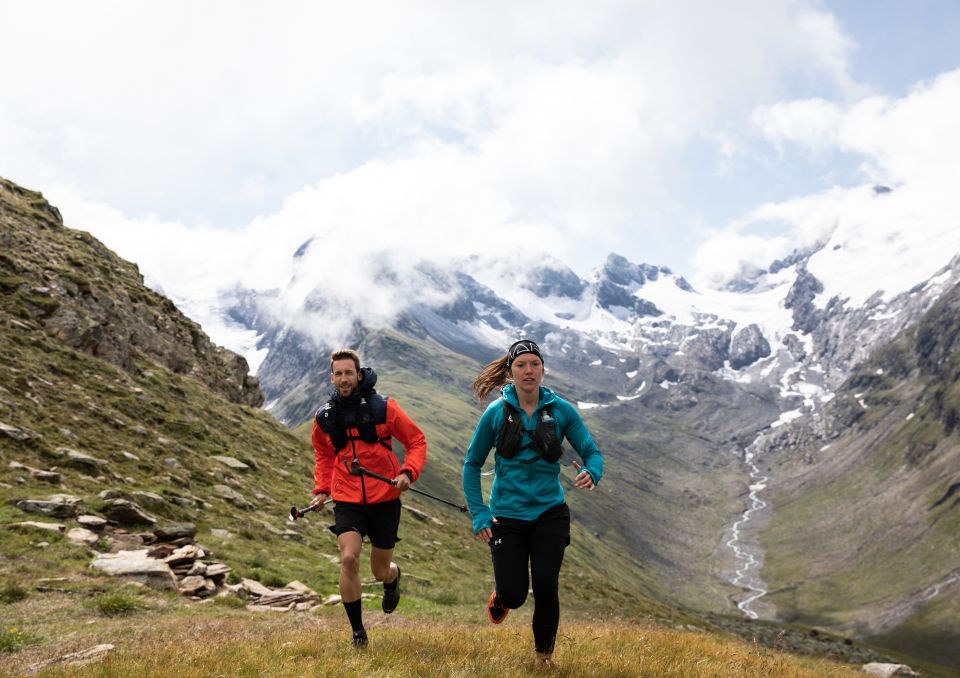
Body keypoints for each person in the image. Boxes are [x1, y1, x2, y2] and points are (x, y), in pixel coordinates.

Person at [462, 339, 603, 668]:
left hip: (549, 513)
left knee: (545, 583)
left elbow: (591, 452)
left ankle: (544, 658)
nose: (529, 371)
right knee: (514, 593)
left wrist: (592, 472)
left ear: (542, 369)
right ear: (511, 372)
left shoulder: (561, 411)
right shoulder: (496, 413)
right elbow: (471, 464)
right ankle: (502, 598)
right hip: (507, 516)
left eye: (534, 364)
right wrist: (480, 514)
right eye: (522, 365)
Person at [309, 348, 427, 648]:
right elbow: (323, 454)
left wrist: (407, 472)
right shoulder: (325, 417)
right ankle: (358, 633)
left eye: (349, 372)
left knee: (379, 570)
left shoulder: (383, 408)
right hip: (346, 497)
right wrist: (322, 490)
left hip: (385, 496)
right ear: (332, 377)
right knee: (348, 557)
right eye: (338, 373)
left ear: (358, 375)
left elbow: (416, 440)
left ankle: (393, 577)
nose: (344, 378)